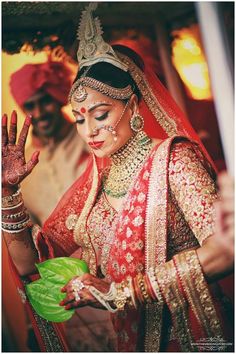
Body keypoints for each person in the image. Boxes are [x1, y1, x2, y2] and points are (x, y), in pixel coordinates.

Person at [2, 4, 234, 352]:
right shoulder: (94, 185)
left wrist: (119, 292)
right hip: (133, 340)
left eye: (100, 114)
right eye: (80, 119)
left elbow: (225, 250)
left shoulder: (174, 159)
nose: (89, 131)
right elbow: (31, 264)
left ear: (133, 105)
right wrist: (9, 193)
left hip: (194, 334)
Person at [9, 61, 89, 225]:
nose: (39, 113)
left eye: (45, 101)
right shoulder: (21, 166)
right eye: (30, 106)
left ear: (58, 99)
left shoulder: (90, 136)